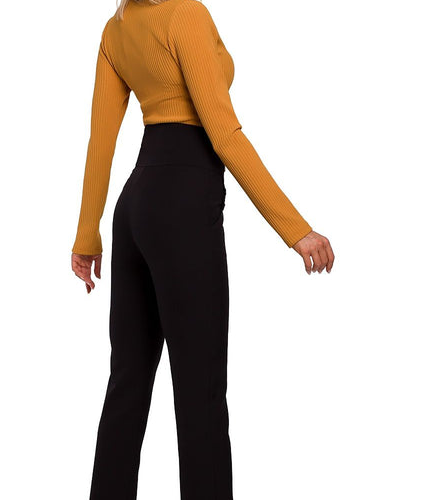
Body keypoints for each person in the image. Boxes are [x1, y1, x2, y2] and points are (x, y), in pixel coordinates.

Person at [70, 0, 335, 499]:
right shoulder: (185, 14)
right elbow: (224, 133)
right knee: (201, 391)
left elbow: (100, 140)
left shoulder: (115, 30)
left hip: (136, 204)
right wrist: (295, 229)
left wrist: (87, 237)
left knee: (127, 384)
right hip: (183, 203)